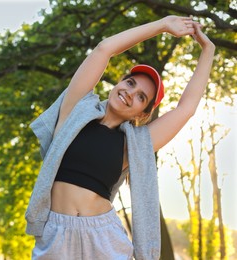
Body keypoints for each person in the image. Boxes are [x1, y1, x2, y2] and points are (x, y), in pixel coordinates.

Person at [25, 15, 215, 260]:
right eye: (130, 82)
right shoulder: (75, 111)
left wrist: (208, 49)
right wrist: (162, 25)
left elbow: (185, 109)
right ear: (119, 82)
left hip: (103, 237)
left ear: (143, 114)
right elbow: (104, 49)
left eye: (141, 97)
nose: (130, 92)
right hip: (57, 234)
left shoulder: (133, 145)